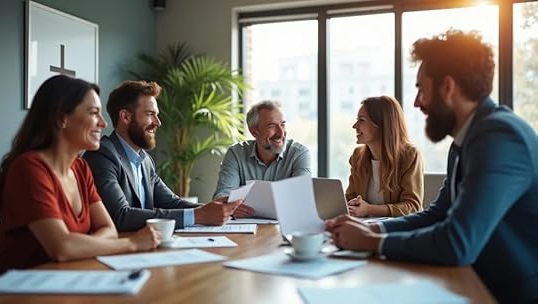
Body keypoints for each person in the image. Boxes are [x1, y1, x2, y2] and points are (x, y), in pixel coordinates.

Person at [325, 29, 538, 303]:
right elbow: (437, 214)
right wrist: (374, 230)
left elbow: (456, 242)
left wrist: (370, 242)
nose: (416, 103)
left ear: (447, 88)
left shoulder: (500, 138)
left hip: (510, 294)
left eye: (421, 90)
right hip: (474, 282)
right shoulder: (466, 140)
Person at [0, 75, 161, 274]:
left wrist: (79, 246)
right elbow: (62, 248)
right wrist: (133, 244)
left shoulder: (81, 168)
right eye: (94, 113)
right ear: (62, 118)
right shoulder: (29, 168)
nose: (103, 123)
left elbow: (109, 230)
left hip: (69, 279)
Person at [83, 80, 243, 232]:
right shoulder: (102, 155)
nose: (158, 122)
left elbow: (171, 202)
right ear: (125, 117)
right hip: (118, 252)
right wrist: (199, 215)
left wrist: (216, 209)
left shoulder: (145, 160)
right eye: (150, 114)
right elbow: (120, 216)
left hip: (148, 246)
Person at [212, 100, 311, 215]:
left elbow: (301, 200)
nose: (281, 133)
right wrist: (228, 206)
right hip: (244, 228)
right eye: (272, 126)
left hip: (284, 226)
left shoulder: (299, 154)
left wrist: (233, 206)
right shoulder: (236, 153)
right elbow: (222, 196)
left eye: (283, 124)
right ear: (254, 132)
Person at [345, 96, 423, 217]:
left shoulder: (410, 156)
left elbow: (412, 207)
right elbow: (350, 198)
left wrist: (369, 209)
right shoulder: (357, 157)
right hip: (364, 228)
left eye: (361, 120)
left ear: (382, 124)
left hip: (397, 231)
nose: (355, 126)